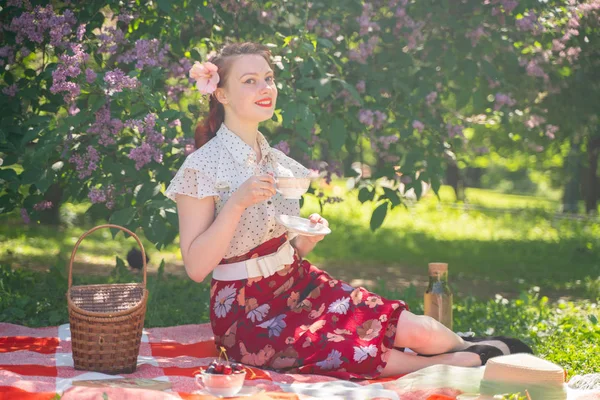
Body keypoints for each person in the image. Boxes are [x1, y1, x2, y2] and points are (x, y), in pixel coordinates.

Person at [164, 42, 532, 380]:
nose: (266, 88)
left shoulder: (280, 163)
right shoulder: (201, 167)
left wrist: (303, 241)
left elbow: (279, 247)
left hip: (298, 285)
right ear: (222, 93)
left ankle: (466, 347)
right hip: (247, 314)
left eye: (269, 78)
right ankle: (464, 360)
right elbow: (197, 268)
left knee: (419, 330)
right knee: (359, 353)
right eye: (250, 80)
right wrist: (236, 204)